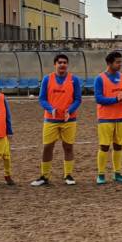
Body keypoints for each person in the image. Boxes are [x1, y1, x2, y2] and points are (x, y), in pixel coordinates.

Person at [32, 53, 82, 187]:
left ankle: (68, 175)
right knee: (48, 147)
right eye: (60, 62)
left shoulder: (74, 80)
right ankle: (44, 176)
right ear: (55, 65)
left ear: (67, 65)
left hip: (69, 120)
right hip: (51, 120)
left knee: (68, 146)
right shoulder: (47, 79)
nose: (62, 65)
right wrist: (51, 109)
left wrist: (69, 111)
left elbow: (78, 99)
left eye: (65, 62)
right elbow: (42, 99)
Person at [94, 51, 122, 184]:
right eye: (118, 62)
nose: (120, 64)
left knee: (118, 146)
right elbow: (98, 98)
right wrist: (115, 99)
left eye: (121, 62)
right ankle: (101, 174)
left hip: (121, 117)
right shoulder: (100, 78)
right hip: (105, 118)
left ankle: (117, 173)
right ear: (109, 63)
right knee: (104, 146)